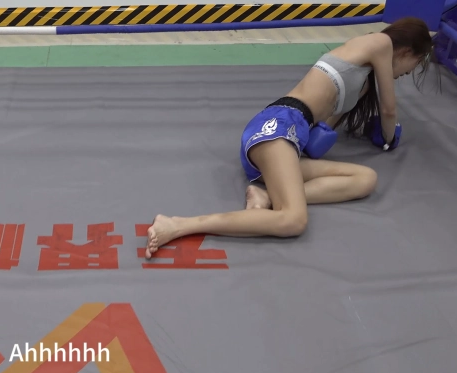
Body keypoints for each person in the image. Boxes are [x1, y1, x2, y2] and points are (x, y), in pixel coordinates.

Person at [145, 17, 434, 258]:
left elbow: (321, 133)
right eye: (415, 66)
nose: (406, 74)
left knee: (365, 178)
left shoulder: (361, 81)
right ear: (408, 52)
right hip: (278, 126)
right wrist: (390, 138)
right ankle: (179, 224)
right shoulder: (379, 42)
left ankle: (267, 194)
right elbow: (389, 109)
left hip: (290, 139)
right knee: (293, 219)